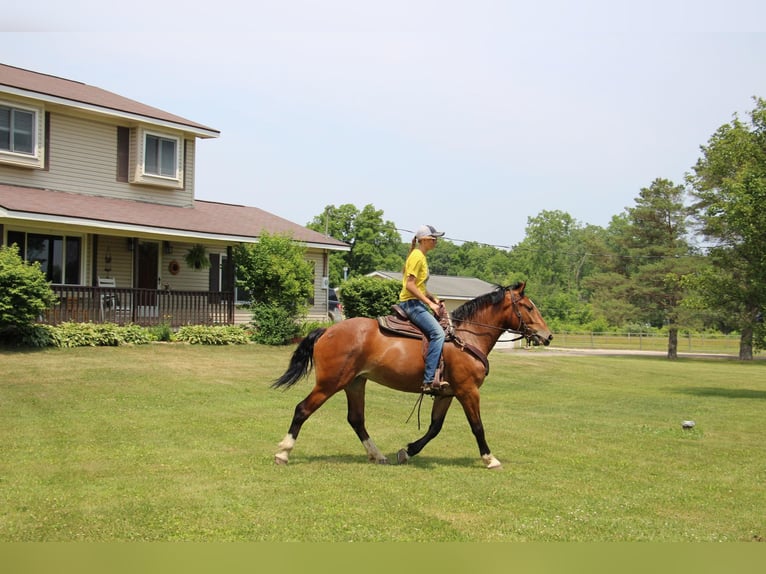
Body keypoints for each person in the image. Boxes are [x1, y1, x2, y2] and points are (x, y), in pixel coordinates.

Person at [398, 224, 448, 394]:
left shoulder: (420, 256)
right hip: (411, 304)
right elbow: (410, 286)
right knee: (438, 333)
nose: (436, 241)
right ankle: (428, 380)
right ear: (425, 239)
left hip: (415, 302)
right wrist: (430, 303)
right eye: (434, 238)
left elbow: (419, 285)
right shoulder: (417, 257)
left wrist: (433, 298)